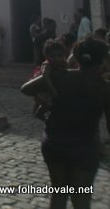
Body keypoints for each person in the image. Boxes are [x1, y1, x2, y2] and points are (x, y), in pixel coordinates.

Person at [21, 38, 110, 209]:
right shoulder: (105, 87)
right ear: (102, 60)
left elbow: (25, 89)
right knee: (81, 199)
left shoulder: (60, 76)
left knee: (59, 194)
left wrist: (46, 74)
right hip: (85, 148)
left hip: (54, 143)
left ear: (76, 57)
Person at [29, 39, 67, 121]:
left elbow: (67, 70)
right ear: (46, 56)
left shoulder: (63, 62)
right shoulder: (47, 65)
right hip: (45, 87)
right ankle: (40, 114)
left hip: (56, 84)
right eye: (52, 56)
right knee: (47, 102)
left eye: (59, 55)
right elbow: (45, 78)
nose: (56, 58)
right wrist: (53, 91)